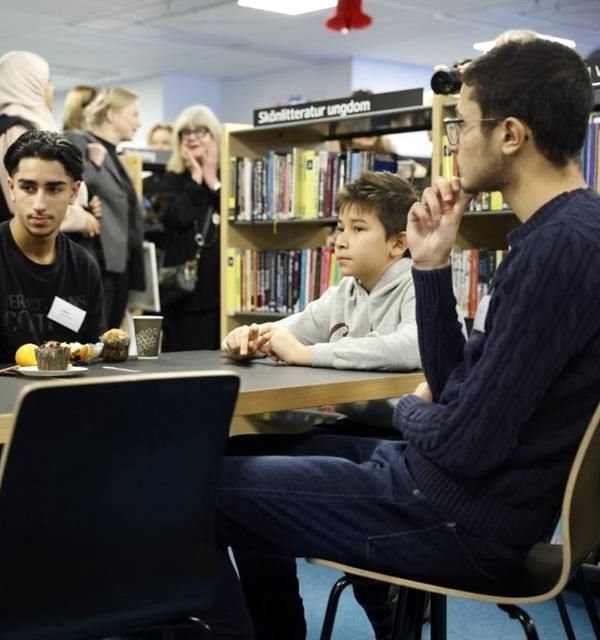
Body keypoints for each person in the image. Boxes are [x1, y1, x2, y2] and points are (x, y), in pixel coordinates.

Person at [201, 38, 600, 640]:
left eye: (462, 124)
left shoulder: (559, 251)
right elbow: (454, 384)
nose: (453, 141)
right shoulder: (564, 233)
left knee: (186, 492)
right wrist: (432, 265)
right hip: (442, 489)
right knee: (234, 462)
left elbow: (465, 438)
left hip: (453, 517)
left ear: (511, 134)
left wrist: (413, 410)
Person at [222, 171, 419, 372]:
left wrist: (304, 354)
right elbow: (285, 333)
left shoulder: (421, 288)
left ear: (398, 243)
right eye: (341, 228)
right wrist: (245, 340)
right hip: (347, 402)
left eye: (358, 229)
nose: (340, 242)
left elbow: (410, 347)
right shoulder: (342, 294)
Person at [0, 129, 106, 365]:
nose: (39, 204)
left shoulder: (83, 267)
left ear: (73, 191)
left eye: (54, 189)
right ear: (11, 188)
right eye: (28, 188)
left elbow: (93, 356)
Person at [0, 50, 98, 239]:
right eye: (46, 81)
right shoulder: (17, 131)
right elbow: (27, 205)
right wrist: (82, 219)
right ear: (30, 83)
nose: (51, 88)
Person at [65, 88, 146, 329]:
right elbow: (68, 184)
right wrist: (91, 177)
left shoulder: (113, 156)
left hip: (117, 268)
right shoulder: (79, 140)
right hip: (96, 264)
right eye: (134, 114)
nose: (139, 122)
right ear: (111, 114)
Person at [158, 104, 222, 351]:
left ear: (214, 136)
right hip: (180, 293)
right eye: (186, 132)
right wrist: (196, 179)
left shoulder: (227, 176)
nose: (193, 137)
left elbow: (232, 215)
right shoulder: (172, 178)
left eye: (201, 131)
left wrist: (212, 181)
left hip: (217, 291)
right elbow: (176, 220)